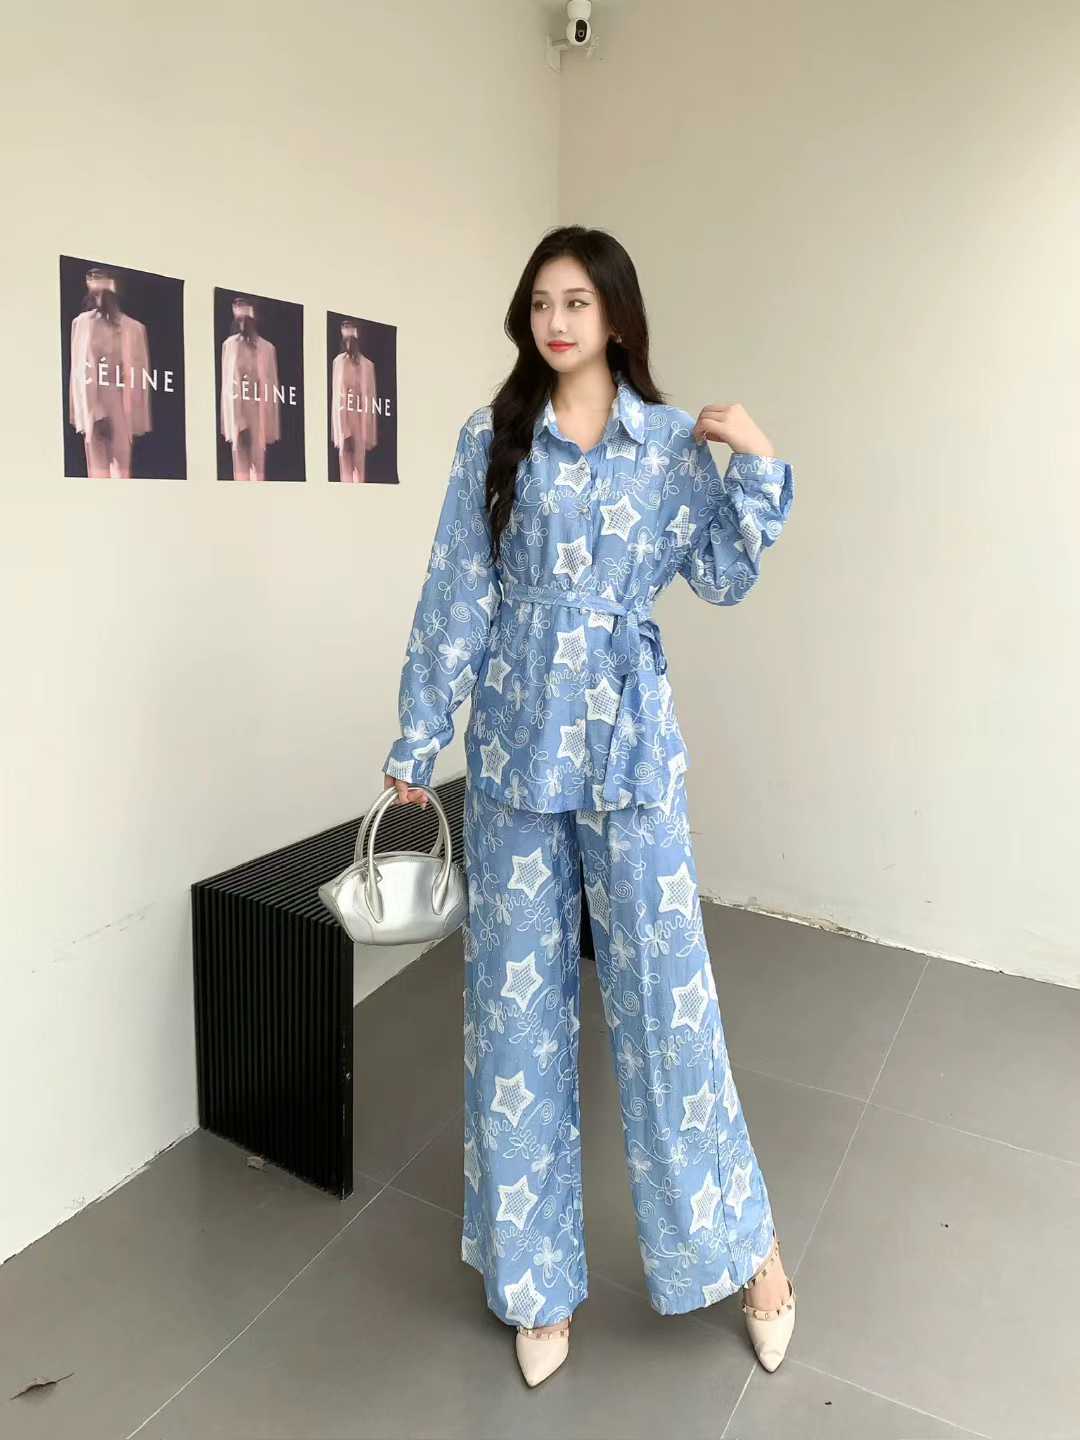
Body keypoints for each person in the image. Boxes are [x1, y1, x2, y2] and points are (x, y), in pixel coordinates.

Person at [381, 225, 796, 1388]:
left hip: (628, 753)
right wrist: (418, 734)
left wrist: (757, 459)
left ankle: (749, 1252)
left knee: (670, 1010)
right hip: (515, 756)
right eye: (540, 303)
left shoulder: (665, 446)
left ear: (615, 313)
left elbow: (722, 575)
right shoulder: (493, 439)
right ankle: (535, 1284)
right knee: (514, 1018)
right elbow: (458, 590)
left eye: (576, 301)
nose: (555, 321)